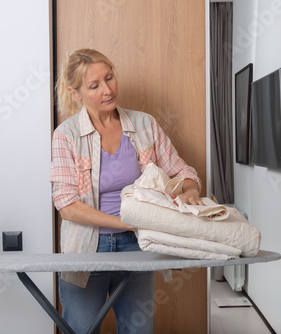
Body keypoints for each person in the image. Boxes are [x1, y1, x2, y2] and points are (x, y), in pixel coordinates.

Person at [50, 48, 202, 333]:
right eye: (95, 86)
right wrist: (125, 222)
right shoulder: (66, 135)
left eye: (110, 78)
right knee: (81, 328)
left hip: (138, 244)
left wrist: (190, 189)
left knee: (138, 329)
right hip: (86, 248)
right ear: (76, 93)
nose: (107, 90)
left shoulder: (145, 125)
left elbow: (183, 173)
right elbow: (67, 205)